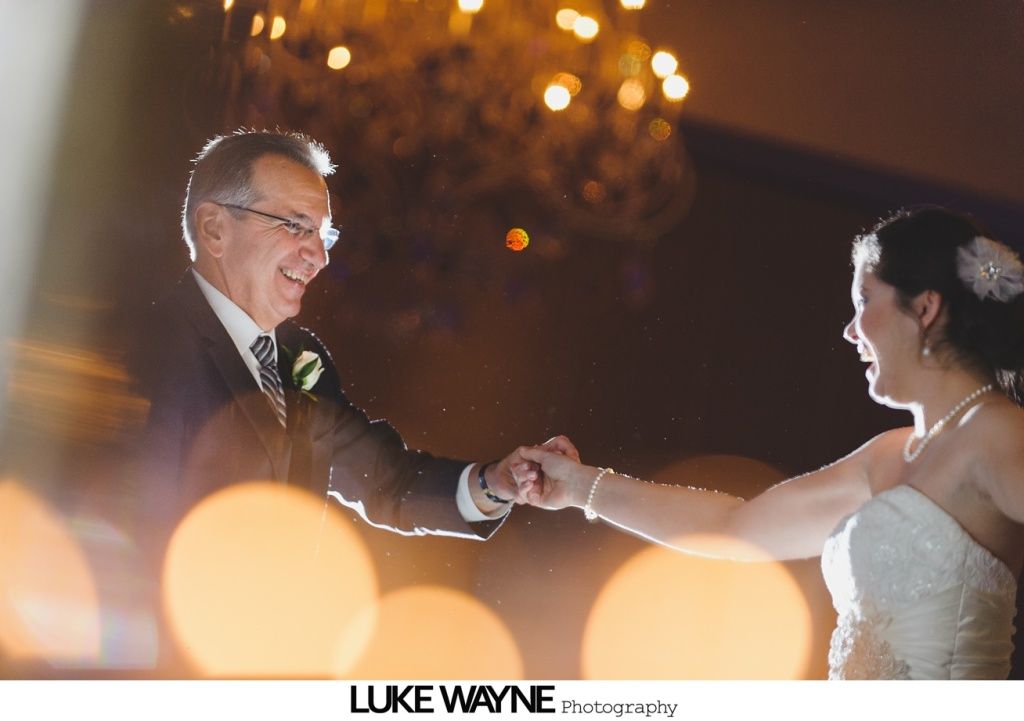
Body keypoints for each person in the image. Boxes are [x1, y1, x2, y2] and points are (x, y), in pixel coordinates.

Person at [519, 207, 1024, 679]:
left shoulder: (998, 432)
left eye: (865, 301)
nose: (850, 331)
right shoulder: (890, 453)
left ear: (926, 307)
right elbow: (736, 529)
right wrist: (579, 486)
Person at [126, 130, 573, 656]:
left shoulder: (301, 359)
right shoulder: (151, 347)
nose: (317, 255)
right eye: (296, 226)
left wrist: (497, 483)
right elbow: (124, 527)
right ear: (214, 227)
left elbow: (388, 483)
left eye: (323, 235)